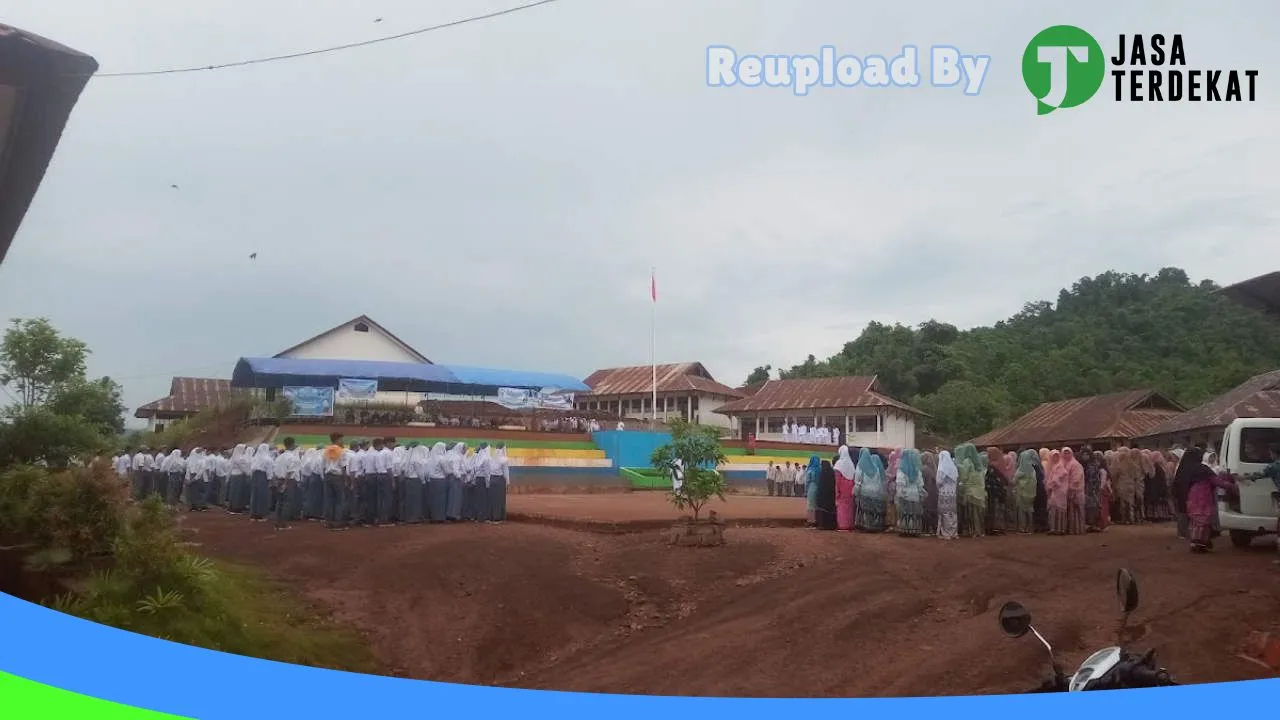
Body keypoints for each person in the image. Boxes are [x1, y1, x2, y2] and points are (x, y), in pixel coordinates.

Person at [1174, 447, 1236, 553]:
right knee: (1203, 520)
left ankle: (1194, 543)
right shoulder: (1202, 469)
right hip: (1203, 497)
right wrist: (1233, 486)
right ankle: (1200, 543)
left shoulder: (1183, 469)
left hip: (1190, 498)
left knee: (1195, 521)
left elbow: (1177, 486)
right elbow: (1216, 481)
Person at [954, 444, 986, 538]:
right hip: (979, 490)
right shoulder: (978, 462)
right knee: (979, 511)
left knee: (972, 512)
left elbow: (964, 477)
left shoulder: (967, 461)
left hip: (970, 489)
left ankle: (973, 531)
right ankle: (980, 531)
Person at [855, 448, 888, 532]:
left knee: (865, 509)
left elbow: (858, 480)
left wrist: (856, 490)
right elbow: (878, 481)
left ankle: (866, 525)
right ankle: (873, 526)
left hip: (864, 491)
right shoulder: (875, 468)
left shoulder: (861, 467)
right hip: (875, 492)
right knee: (872, 509)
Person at [272, 438, 302, 530]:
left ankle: (277, 523)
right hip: (287, 481)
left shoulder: (280, 456)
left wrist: (277, 482)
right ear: (292, 445)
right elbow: (290, 472)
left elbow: (274, 470)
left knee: (279, 502)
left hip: (279, 480)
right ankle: (284, 524)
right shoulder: (291, 457)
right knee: (287, 503)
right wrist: (285, 483)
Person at [322, 433, 348, 530]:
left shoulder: (326, 450)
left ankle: (328, 521)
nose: (342, 441)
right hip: (337, 476)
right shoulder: (342, 451)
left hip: (328, 475)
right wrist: (345, 480)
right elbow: (343, 466)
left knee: (329, 500)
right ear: (337, 439)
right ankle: (338, 522)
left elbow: (323, 465)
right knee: (340, 500)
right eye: (341, 439)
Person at [896, 449, 925, 537]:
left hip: (905, 495)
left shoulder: (901, 470)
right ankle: (914, 530)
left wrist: (900, 494)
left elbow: (900, 484)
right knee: (914, 513)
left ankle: (905, 530)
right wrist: (920, 494)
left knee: (905, 513)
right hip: (915, 494)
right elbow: (920, 484)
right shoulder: (917, 471)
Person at [983, 447, 1008, 535]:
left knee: (993, 509)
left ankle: (993, 528)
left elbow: (989, 478)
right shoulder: (1002, 463)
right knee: (1000, 509)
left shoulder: (992, 465)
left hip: (993, 491)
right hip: (1000, 490)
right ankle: (1000, 527)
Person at [936, 450, 959, 540]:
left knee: (944, 513)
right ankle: (954, 532)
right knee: (952, 513)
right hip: (952, 493)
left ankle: (946, 532)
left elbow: (938, 482)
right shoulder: (953, 468)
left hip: (944, 493)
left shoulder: (941, 469)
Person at [1013, 450, 1038, 534]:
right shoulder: (1032, 470)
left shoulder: (1021, 470)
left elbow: (1014, 481)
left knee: (1022, 511)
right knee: (1030, 510)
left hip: (1021, 492)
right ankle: (1030, 528)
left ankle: (1022, 528)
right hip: (1031, 493)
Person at [833, 445, 857, 532]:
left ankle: (843, 525)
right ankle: (850, 524)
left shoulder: (839, 464)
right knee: (849, 506)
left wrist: (836, 491)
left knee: (842, 507)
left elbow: (837, 479)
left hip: (841, 488)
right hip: (850, 488)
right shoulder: (851, 464)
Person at [401, 443, 426, 524]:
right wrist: (423, 480)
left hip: (408, 479)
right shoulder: (416, 459)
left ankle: (408, 517)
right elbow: (420, 472)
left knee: (409, 500)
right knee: (416, 500)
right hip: (415, 480)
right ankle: (415, 518)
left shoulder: (407, 457)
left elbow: (401, 468)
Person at [1063, 448, 1086, 535]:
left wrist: (1072, 488)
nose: (1066, 455)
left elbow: (1076, 479)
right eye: (1064, 453)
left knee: (1078, 511)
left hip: (1077, 490)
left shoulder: (1076, 465)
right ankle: (1073, 529)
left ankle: (1079, 529)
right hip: (1069, 491)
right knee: (1072, 512)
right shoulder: (1066, 464)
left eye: (1068, 453)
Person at [249, 442, 274, 522]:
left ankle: (253, 514)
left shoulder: (255, 458)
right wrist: (270, 480)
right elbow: (269, 471)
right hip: (263, 477)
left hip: (255, 476)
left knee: (255, 495)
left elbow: (251, 469)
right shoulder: (268, 459)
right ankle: (261, 514)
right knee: (263, 496)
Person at [1045, 449, 1067, 535]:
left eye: (1057, 456)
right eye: (1054, 456)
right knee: (1053, 510)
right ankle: (1053, 528)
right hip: (1054, 491)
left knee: (1060, 510)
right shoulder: (1052, 467)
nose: (1055, 458)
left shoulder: (1060, 466)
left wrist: (1052, 484)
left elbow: (1058, 478)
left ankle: (1061, 529)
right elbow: (1051, 479)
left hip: (1060, 491)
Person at [426, 442, 448, 522]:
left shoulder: (431, 458)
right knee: (441, 500)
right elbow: (447, 471)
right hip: (440, 480)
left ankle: (433, 516)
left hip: (432, 480)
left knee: (433, 499)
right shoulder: (442, 458)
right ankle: (440, 517)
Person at [1082, 449, 1104, 532]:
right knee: (1087, 507)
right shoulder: (1084, 465)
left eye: (1086, 454)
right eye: (1084, 454)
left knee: (1093, 507)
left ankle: (1094, 525)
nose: (1085, 456)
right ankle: (1089, 525)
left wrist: (1093, 489)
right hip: (1086, 489)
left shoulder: (1092, 466)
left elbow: (1094, 479)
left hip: (1092, 489)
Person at [489, 442, 510, 523]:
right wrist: (508, 482)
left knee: (492, 498)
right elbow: (506, 472)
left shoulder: (491, 458)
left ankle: (491, 516)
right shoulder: (504, 459)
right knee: (500, 499)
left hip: (492, 479)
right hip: (500, 480)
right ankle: (498, 517)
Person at [815, 458, 837, 531]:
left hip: (823, 496)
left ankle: (822, 524)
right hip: (830, 496)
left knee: (822, 509)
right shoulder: (831, 473)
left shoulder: (822, 474)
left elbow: (820, 486)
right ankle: (830, 525)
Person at [446, 442, 466, 522]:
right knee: (456, 498)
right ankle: (453, 515)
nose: (464, 450)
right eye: (464, 448)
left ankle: (451, 514)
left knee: (452, 497)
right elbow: (455, 470)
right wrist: (460, 478)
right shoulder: (457, 457)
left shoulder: (451, 455)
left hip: (451, 478)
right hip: (456, 479)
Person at [921, 451, 939, 537]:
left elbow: (922, 482)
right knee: (933, 510)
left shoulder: (923, 469)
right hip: (934, 492)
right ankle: (934, 529)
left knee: (925, 510)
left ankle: (926, 529)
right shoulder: (934, 469)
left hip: (926, 492)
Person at [803, 455, 820, 527]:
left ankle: (810, 521)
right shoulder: (820, 469)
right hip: (819, 488)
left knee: (810, 504)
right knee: (816, 504)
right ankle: (817, 520)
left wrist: (805, 491)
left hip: (811, 487)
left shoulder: (810, 470)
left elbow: (807, 481)